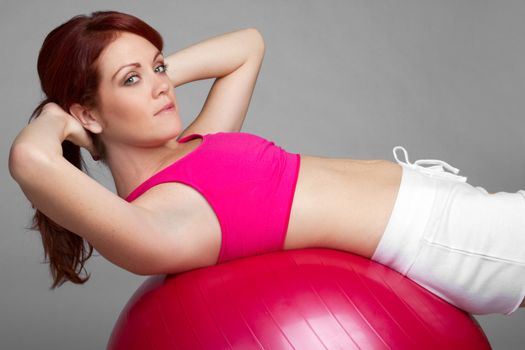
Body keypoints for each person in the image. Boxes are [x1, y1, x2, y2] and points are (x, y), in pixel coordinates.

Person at [8, 10, 525, 316]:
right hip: (446, 240)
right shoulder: (161, 220)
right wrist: (61, 118)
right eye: (131, 79)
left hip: (456, 211)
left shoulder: (195, 145)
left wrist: (145, 76)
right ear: (86, 112)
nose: (163, 83)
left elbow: (246, 46)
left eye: (158, 66)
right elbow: (30, 159)